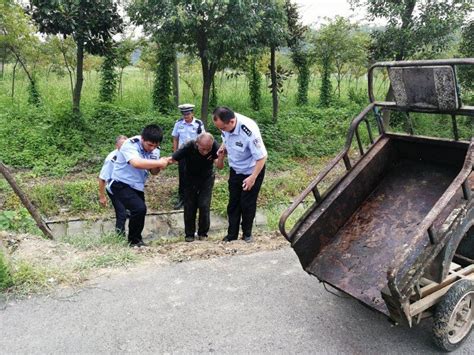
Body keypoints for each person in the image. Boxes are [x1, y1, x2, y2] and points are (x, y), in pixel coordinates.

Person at [212, 106, 267, 243]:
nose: (221, 131)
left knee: (247, 204)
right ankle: (232, 235)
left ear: (231, 122)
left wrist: (252, 178)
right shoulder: (225, 124)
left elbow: (262, 157)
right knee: (233, 203)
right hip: (236, 169)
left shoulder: (249, 131)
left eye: (222, 128)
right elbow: (226, 137)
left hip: (252, 171)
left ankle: (247, 234)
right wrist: (224, 147)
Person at [109, 125, 170, 247]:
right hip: (120, 183)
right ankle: (134, 241)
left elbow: (153, 172)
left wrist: (161, 165)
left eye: (155, 145)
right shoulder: (130, 144)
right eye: (149, 145)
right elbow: (136, 163)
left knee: (139, 211)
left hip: (137, 186)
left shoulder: (155, 150)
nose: (152, 148)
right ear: (142, 138)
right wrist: (159, 162)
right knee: (139, 208)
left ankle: (136, 240)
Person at [170, 132, 224, 242]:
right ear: (196, 143)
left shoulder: (214, 146)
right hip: (190, 178)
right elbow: (173, 159)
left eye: (207, 149)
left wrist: (221, 157)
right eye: (202, 149)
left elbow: (219, 166)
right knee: (190, 205)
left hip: (206, 178)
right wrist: (159, 163)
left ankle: (203, 233)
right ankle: (189, 234)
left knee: (204, 204)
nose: (205, 152)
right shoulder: (188, 146)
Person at [172, 103, 205, 209]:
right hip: (182, 154)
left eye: (188, 114)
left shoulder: (198, 124)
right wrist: (175, 154)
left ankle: (194, 197)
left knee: (195, 175)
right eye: (184, 114)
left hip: (195, 155)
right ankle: (182, 198)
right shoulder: (179, 123)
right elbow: (175, 139)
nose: (186, 116)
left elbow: (202, 138)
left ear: (192, 113)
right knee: (182, 176)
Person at [98, 135, 128, 235]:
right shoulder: (112, 159)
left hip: (126, 188)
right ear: (116, 146)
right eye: (122, 145)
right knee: (121, 214)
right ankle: (120, 238)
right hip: (113, 189)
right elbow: (102, 178)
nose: (124, 147)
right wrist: (102, 197)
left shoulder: (131, 155)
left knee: (134, 211)